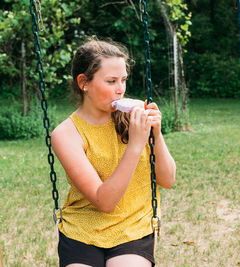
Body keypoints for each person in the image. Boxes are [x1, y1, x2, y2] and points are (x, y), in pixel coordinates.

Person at [51, 38, 176, 267]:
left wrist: (156, 135)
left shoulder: (132, 117)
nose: (121, 90)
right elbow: (104, 202)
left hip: (132, 227)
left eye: (123, 80)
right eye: (111, 81)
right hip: (83, 230)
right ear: (84, 83)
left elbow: (167, 180)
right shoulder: (66, 134)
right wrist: (136, 145)